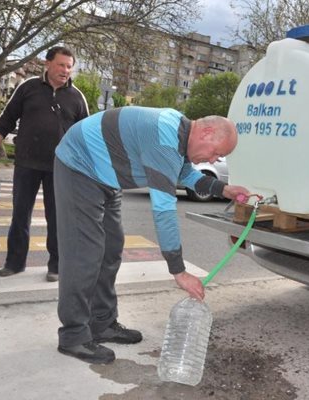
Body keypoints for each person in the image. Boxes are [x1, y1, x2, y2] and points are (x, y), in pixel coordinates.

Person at [53, 106, 249, 364]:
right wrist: (178, 271)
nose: (213, 160)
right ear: (207, 131)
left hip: (106, 176)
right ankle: (74, 335)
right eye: (217, 153)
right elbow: (164, 209)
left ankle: (101, 323)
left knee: (111, 249)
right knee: (84, 253)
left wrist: (224, 190)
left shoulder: (180, 132)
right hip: (79, 165)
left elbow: (185, 174)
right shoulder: (164, 141)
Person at [0, 46, 89, 282]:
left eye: (69, 66)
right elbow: (6, 121)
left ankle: (57, 265)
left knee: (57, 217)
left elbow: (86, 135)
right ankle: (15, 262)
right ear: (47, 63)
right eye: (61, 65)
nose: (65, 70)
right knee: (20, 214)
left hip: (62, 167)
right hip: (27, 163)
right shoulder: (28, 88)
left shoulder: (77, 97)